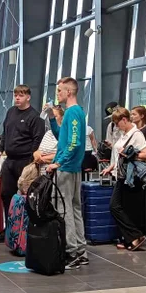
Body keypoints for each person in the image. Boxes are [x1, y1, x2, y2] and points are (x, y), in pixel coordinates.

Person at [46, 77, 88, 269]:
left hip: (66, 168)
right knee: (75, 209)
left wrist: (58, 162)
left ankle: (71, 252)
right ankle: (81, 251)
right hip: (73, 168)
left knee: (65, 210)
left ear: (69, 92)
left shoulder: (72, 112)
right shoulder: (76, 112)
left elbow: (73, 143)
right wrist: (52, 117)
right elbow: (61, 137)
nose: (58, 94)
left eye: (60, 91)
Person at [101, 107, 146, 251]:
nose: (116, 126)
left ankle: (135, 236)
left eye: (117, 123)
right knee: (123, 207)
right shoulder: (124, 134)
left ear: (124, 119)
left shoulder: (137, 134)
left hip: (131, 176)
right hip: (122, 175)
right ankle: (131, 238)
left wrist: (130, 155)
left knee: (115, 206)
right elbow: (119, 155)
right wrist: (111, 167)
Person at [0, 85, 45, 226]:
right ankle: (9, 228)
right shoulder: (11, 112)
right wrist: (0, 149)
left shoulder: (34, 116)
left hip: (25, 161)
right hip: (9, 160)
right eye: (15, 95)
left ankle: (25, 228)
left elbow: (37, 139)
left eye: (21, 95)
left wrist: (31, 161)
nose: (17, 98)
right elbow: (5, 132)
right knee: (6, 194)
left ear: (28, 97)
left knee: (26, 195)